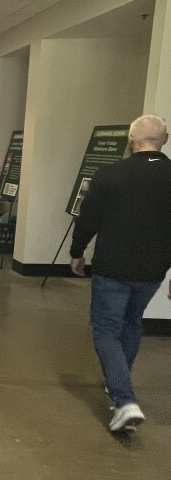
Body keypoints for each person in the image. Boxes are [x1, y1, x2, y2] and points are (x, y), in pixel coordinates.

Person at [70, 114, 171, 432]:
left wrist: (77, 252)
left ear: (131, 138)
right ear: (164, 140)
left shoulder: (110, 174)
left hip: (112, 266)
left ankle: (125, 400)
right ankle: (118, 383)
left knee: (106, 329)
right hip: (153, 270)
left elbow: (88, 217)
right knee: (131, 323)